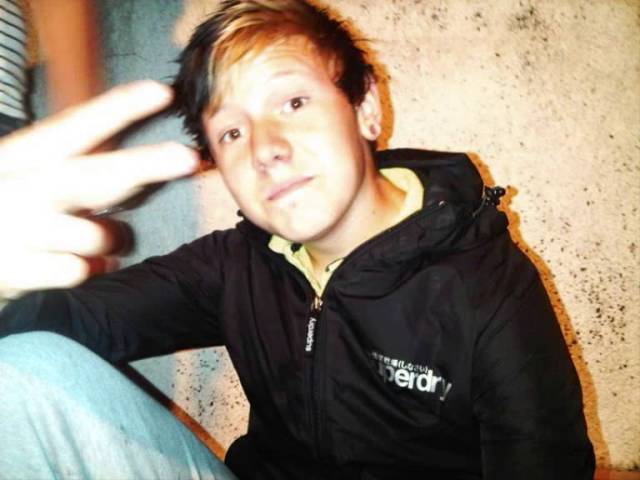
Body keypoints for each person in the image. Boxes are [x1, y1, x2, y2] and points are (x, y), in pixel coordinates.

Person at [0, 0, 595, 479]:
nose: (265, 148)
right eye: (232, 132)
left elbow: (545, 461)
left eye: (293, 101)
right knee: (23, 369)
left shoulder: (484, 285)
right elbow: (70, 324)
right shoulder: (235, 263)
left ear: (365, 108)